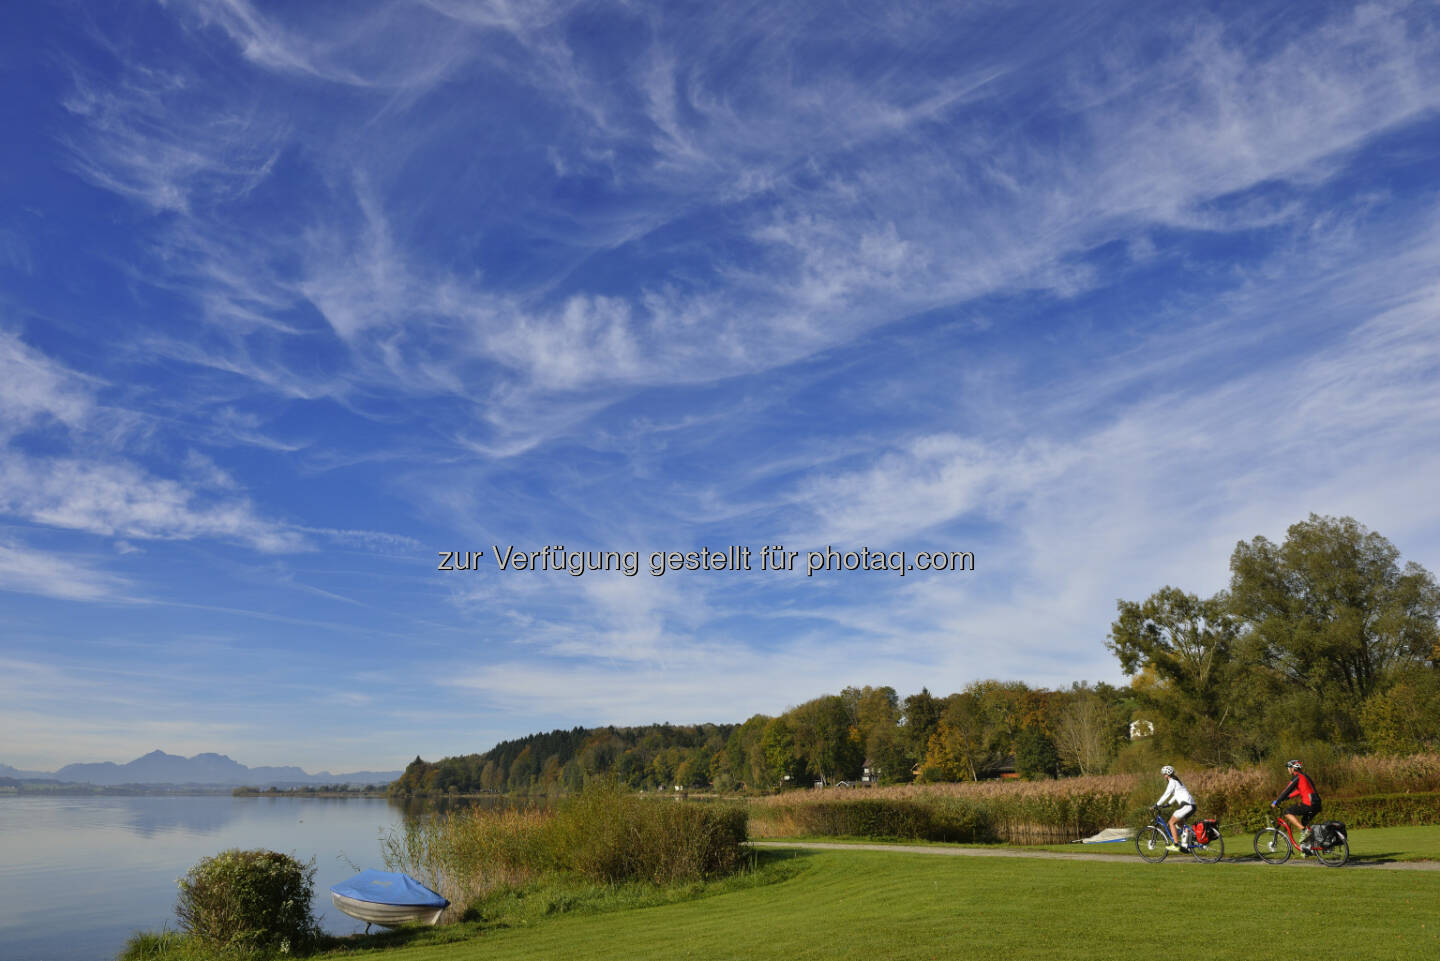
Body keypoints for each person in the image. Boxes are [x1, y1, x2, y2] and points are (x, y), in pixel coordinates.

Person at [1272, 759, 1322, 849]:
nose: (1288, 770)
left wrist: (1277, 801)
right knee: (1304, 822)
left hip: (1309, 804)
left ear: (1293, 768)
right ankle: (1310, 847)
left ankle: (1304, 831)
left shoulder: (1297, 777)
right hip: (1317, 804)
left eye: (1288, 768)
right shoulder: (1305, 776)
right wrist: (1288, 797)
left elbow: (1287, 790)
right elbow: (1299, 791)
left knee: (1287, 812)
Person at [1155, 765, 1196, 851]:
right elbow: (1176, 795)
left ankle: (1176, 844)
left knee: (1171, 823)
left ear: (1167, 775)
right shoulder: (1178, 781)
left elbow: (1166, 794)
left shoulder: (1172, 782)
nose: (1164, 776)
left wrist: (1157, 804)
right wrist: (1168, 804)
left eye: (1164, 774)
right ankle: (1189, 841)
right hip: (1192, 806)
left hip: (1186, 806)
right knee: (1180, 824)